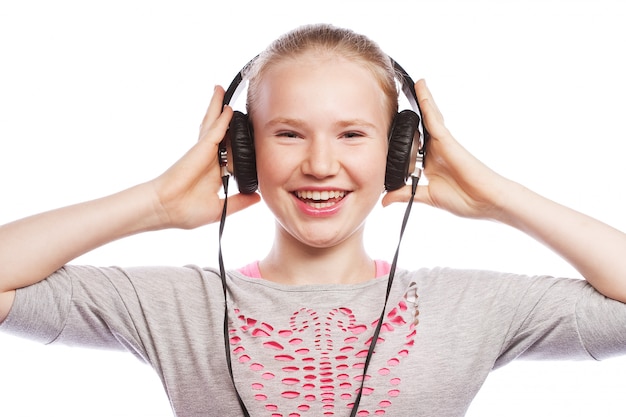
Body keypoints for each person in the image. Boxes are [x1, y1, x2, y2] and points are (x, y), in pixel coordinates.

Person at [1, 23, 625, 417]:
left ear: (400, 150)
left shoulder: (467, 306)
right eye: (288, 133)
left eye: (353, 134)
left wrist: (499, 198)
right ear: (241, 150)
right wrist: (157, 203)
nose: (320, 164)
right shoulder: (179, 305)